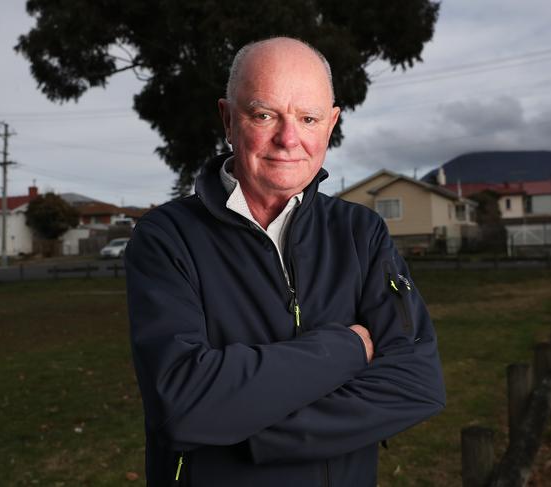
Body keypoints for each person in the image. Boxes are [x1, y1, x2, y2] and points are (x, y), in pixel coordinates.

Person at [125, 37, 445, 487]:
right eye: (264, 114)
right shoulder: (166, 238)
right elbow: (182, 404)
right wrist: (349, 349)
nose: (289, 139)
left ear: (330, 124)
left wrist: (242, 431)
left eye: (308, 118)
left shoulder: (361, 233)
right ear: (228, 119)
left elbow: (417, 385)